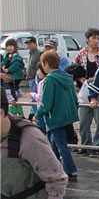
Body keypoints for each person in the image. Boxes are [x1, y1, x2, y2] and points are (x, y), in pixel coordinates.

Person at [32, 49, 79, 181]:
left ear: (46, 63)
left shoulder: (49, 80)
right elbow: (74, 98)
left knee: (60, 144)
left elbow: (46, 103)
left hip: (54, 117)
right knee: (53, 143)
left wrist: (36, 116)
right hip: (67, 116)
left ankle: (70, 170)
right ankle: (51, 167)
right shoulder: (67, 77)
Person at [73, 27, 99, 155]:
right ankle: (86, 145)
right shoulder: (81, 54)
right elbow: (74, 70)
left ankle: (97, 146)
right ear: (87, 39)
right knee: (83, 121)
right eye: (93, 38)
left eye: (98, 38)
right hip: (84, 90)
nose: (96, 41)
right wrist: (82, 79)